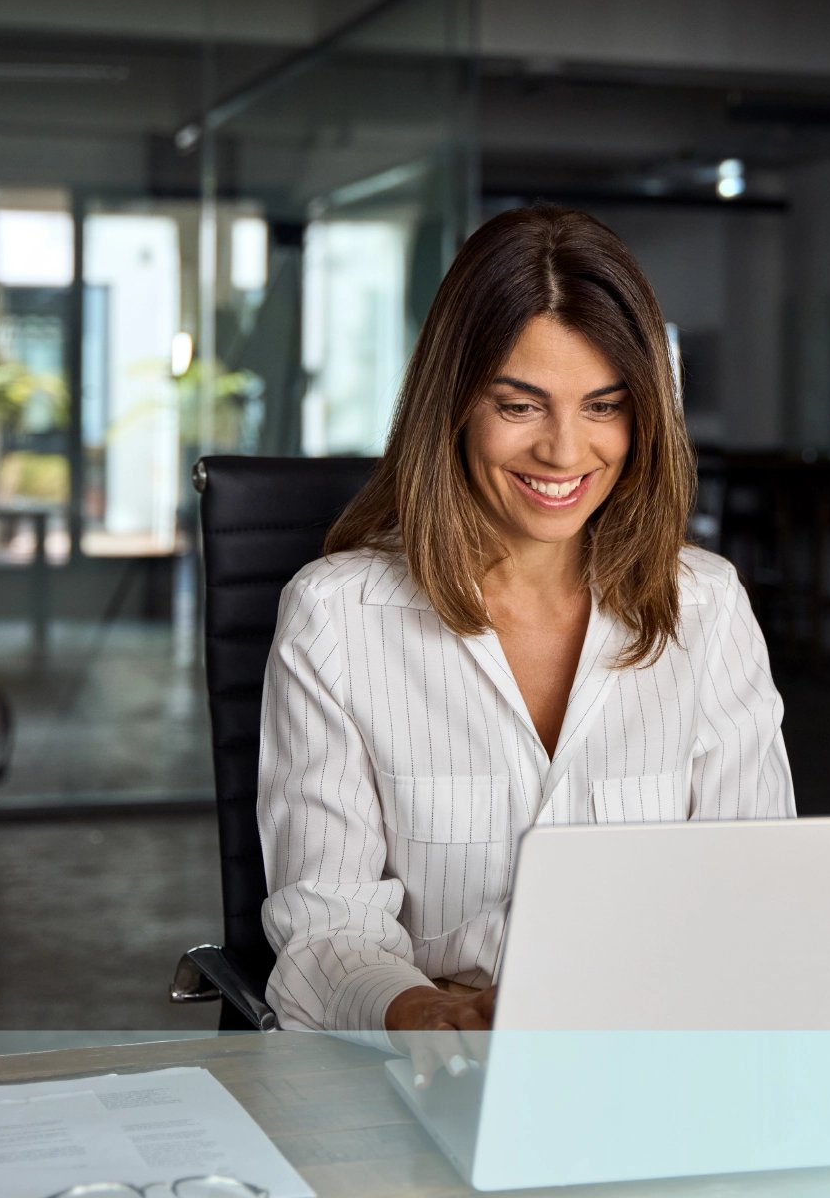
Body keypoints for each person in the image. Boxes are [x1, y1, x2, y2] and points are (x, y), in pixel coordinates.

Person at [257, 205, 795, 1080]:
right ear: (455, 406)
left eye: (603, 407)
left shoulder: (708, 605)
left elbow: (758, 889)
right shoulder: (337, 617)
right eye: (519, 404)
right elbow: (326, 930)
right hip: (435, 1078)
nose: (564, 449)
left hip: (663, 1064)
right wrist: (432, 1016)